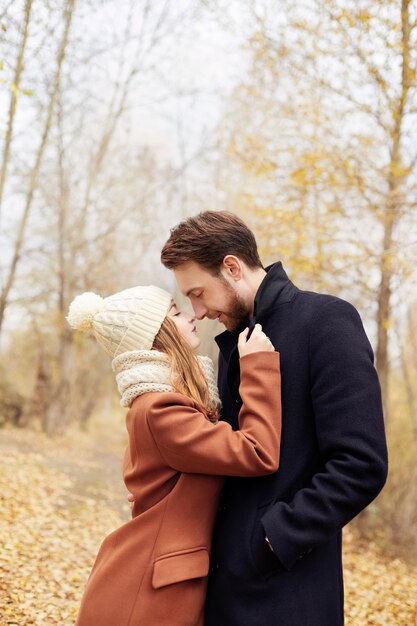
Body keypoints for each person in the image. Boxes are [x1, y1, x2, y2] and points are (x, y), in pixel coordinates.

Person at [160, 210, 389, 626]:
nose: (196, 310)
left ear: (231, 267)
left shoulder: (327, 322)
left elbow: (361, 465)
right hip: (220, 590)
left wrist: (272, 538)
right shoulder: (233, 341)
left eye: (198, 292)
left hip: (287, 593)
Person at [66, 285, 281, 626]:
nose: (193, 315)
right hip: (148, 592)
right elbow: (256, 452)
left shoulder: (162, 404)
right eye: (177, 313)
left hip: (160, 579)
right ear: (157, 335)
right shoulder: (161, 409)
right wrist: (259, 367)